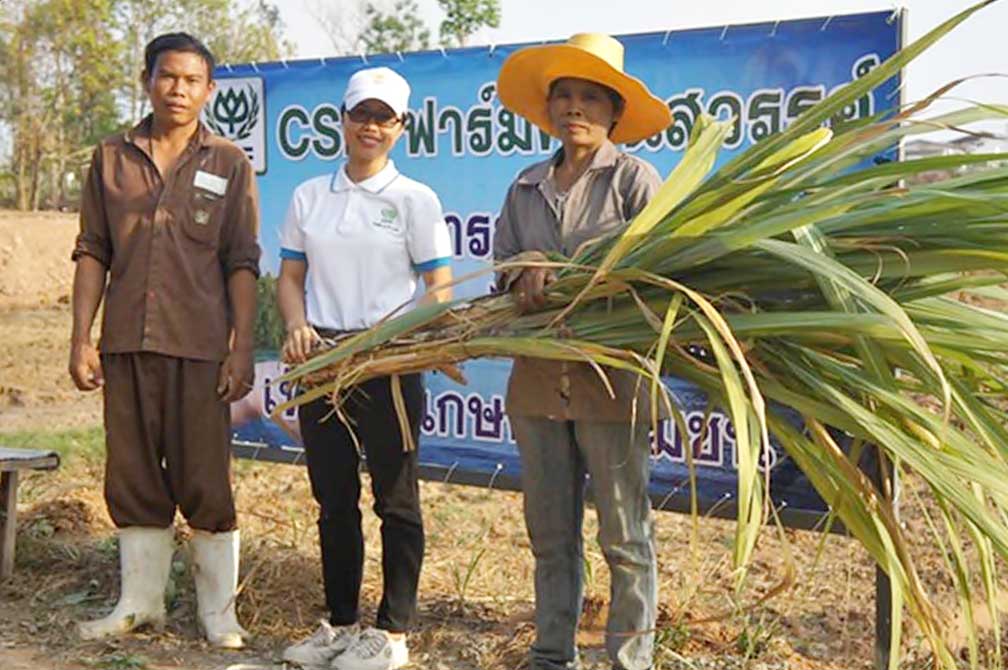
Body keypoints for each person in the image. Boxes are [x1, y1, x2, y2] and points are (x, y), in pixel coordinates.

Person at [69, 32, 260, 649]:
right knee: (131, 474)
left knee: (206, 477)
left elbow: (241, 260)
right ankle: (139, 604)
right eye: (167, 77)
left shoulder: (229, 163)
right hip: (126, 341)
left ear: (208, 90)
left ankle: (219, 614)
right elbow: (93, 250)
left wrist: (240, 348)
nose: (178, 89)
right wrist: (82, 338)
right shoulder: (110, 158)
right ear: (147, 80)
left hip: (202, 344)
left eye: (191, 80)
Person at [492, 33, 673, 670]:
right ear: (548, 110)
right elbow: (502, 269)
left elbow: (657, 273)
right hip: (539, 384)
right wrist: (524, 270)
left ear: (614, 112)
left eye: (591, 98)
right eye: (564, 96)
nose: (576, 109)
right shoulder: (524, 187)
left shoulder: (634, 180)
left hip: (611, 384)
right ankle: (550, 655)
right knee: (550, 535)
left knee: (624, 535)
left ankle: (631, 660)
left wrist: (576, 275)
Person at [276, 66, 452, 670]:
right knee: (333, 500)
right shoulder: (309, 197)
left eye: (384, 118)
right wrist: (297, 325)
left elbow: (440, 290)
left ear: (402, 128)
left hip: (388, 363)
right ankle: (341, 625)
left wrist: (386, 337)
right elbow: (291, 277)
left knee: (396, 500)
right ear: (342, 120)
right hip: (322, 361)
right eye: (361, 115)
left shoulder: (415, 200)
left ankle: (392, 634)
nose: (370, 127)